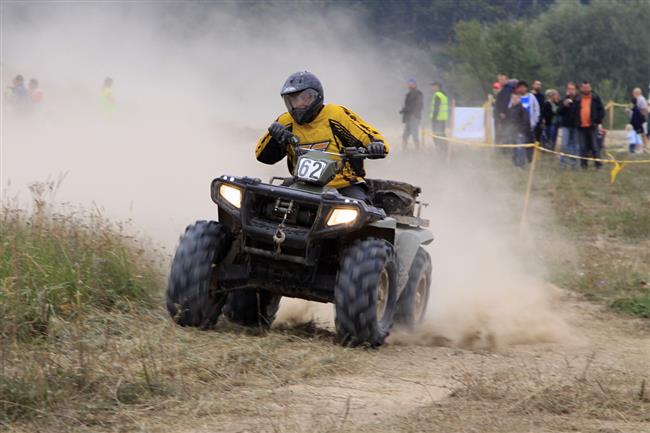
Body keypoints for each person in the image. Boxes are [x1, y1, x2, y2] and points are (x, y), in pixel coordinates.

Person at [255, 71, 388, 202]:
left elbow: (371, 137)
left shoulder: (335, 115)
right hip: (301, 185)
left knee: (359, 211)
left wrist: (376, 145)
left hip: (343, 186)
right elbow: (262, 157)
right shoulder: (285, 121)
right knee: (265, 204)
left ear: (317, 96)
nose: (299, 104)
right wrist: (274, 137)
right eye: (293, 100)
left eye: (305, 98)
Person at [571, 81, 605, 169]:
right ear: (581, 88)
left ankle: (598, 164)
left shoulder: (595, 98)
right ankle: (583, 164)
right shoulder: (577, 98)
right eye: (584, 88)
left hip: (592, 126)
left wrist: (598, 121)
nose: (586, 89)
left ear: (590, 88)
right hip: (580, 126)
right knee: (582, 147)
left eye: (587, 87)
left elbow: (601, 110)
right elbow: (573, 111)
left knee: (595, 146)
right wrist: (575, 121)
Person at [504, 93, 532, 167]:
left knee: (520, 149)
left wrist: (522, 131)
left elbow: (526, 122)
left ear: (519, 100)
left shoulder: (523, 110)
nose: (514, 100)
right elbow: (508, 120)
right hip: (512, 132)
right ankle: (515, 164)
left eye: (516, 98)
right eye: (513, 98)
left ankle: (521, 165)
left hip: (520, 133)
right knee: (514, 149)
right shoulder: (510, 109)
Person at [514, 80, 540, 162]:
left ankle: (529, 160)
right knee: (520, 144)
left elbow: (536, 109)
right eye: (520, 87)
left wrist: (534, 121)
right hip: (519, 126)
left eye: (523, 87)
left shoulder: (531, 97)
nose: (522, 89)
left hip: (530, 125)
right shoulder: (516, 98)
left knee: (529, 144)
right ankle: (519, 161)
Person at [557, 82, 578, 169]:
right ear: (567, 90)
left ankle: (574, 164)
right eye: (569, 89)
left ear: (575, 90)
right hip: (566, 125)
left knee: (575, 146)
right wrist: (565, 106)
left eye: (572, 89)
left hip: (576, 126)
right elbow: (558, 112)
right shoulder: (563, 100)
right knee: (564, 145)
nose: (571, 91)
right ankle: (563, 164)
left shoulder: (578, 100)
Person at [399, 78, 423, 149]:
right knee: (405, 136)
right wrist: (403, 110)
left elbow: (418, 105)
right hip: (408, 118)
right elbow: (408, 106)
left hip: (414, 117)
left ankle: (417, 151)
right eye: (409, 84)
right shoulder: (408, 94)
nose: (410, 85)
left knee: (415, 136)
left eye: (412, 84)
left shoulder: (418, 93)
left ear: (415, 85)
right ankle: (403, 150)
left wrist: (412, 113)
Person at [494, 73, 515, 144]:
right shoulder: (499, 89)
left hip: (505, 115)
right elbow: (498, 102)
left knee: (505, 132)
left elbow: (506, 102)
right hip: (498, 114)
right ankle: (498, 149)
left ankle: (505, 149)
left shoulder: (510, 89)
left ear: (507, 79)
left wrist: (503, 112)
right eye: (499, 79)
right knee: (498, 132)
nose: (500, 81)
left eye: (502, 79)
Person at [429, 81, 448, 149]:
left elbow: (436, 108)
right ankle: (444, 150)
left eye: (433, 86)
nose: (432, 88)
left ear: (437, 86)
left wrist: (433, 118)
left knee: (436, 136)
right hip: (442, 119)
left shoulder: (437, 95)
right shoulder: (444, 95)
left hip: (437, 119)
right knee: (442, 135)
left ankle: (440, 151)